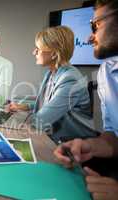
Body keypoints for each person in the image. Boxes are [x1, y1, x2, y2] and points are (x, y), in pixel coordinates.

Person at [54, 0, 118, 199]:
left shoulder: (69, 76)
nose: (90, 37)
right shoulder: (106, 72)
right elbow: (114, 136)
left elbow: (44, 116)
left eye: (96, 25)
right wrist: (91, 145)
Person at [6, 26, 97, 143]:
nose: (34, 52)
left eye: (38, 49)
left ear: (54, 54)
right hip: (56, 138)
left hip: (76, 146)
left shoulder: (70, 80)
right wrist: (24, 107)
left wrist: (7, 123)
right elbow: (50, 103)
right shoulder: (51, 73)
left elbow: (40, 121)